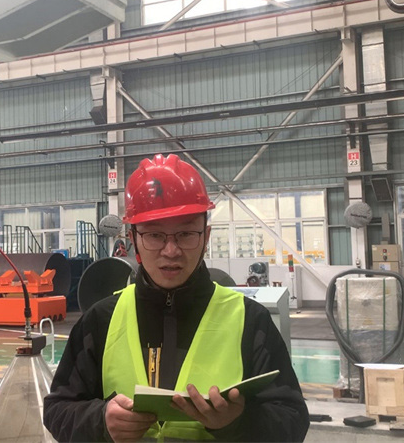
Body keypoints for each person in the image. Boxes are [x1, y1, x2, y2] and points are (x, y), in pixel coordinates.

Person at [44, 154, 309, 442]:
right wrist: (100, 421)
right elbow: (58, 409)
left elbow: (292, 420)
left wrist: (237, 423)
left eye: (185, 234)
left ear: (206, 237)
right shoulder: (101, 320)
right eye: (155, 236)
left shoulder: (250, 320)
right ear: (133, 240)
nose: (171, 251)